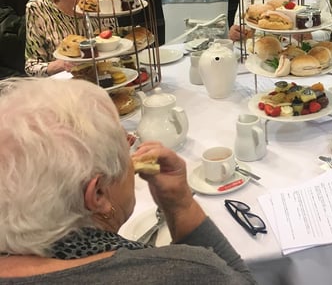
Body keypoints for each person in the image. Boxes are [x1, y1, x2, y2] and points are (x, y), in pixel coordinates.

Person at [0, 78, 256, 284]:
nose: (133, 150)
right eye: (125, 145)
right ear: (98, 194)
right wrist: (182, 205)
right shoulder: (179, 273)